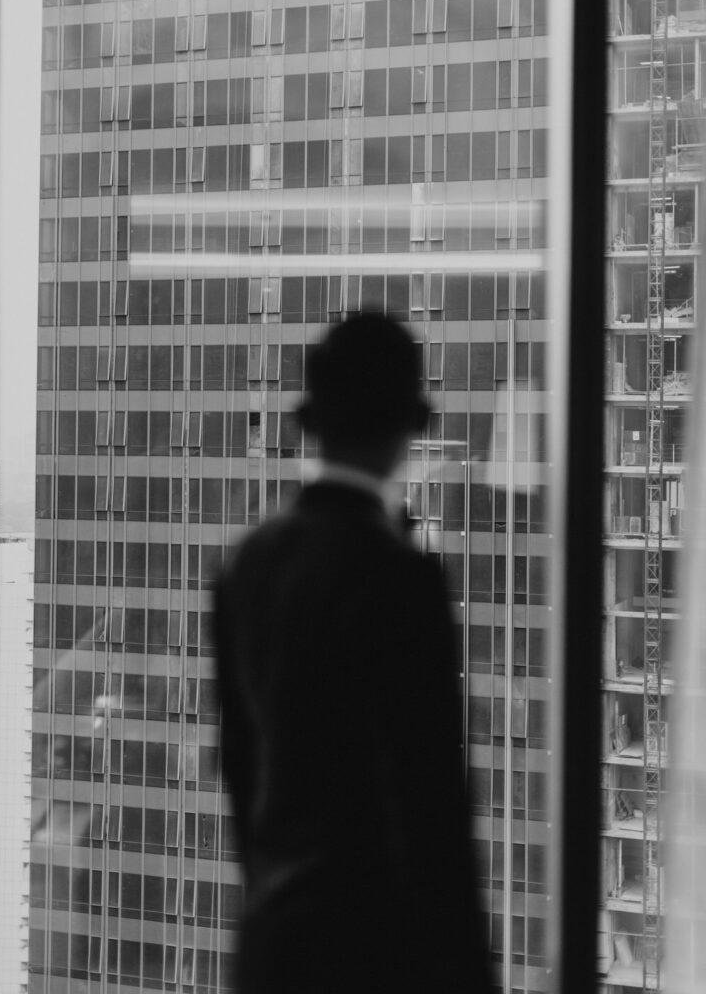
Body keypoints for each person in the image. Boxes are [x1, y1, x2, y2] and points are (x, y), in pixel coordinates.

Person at [214, 312, 495, 994]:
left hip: (273, 950)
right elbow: (432, 806)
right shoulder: (401, 574)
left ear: (311, 424)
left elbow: (242, 775)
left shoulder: (247, 564)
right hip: (376, 953)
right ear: (409, 431)